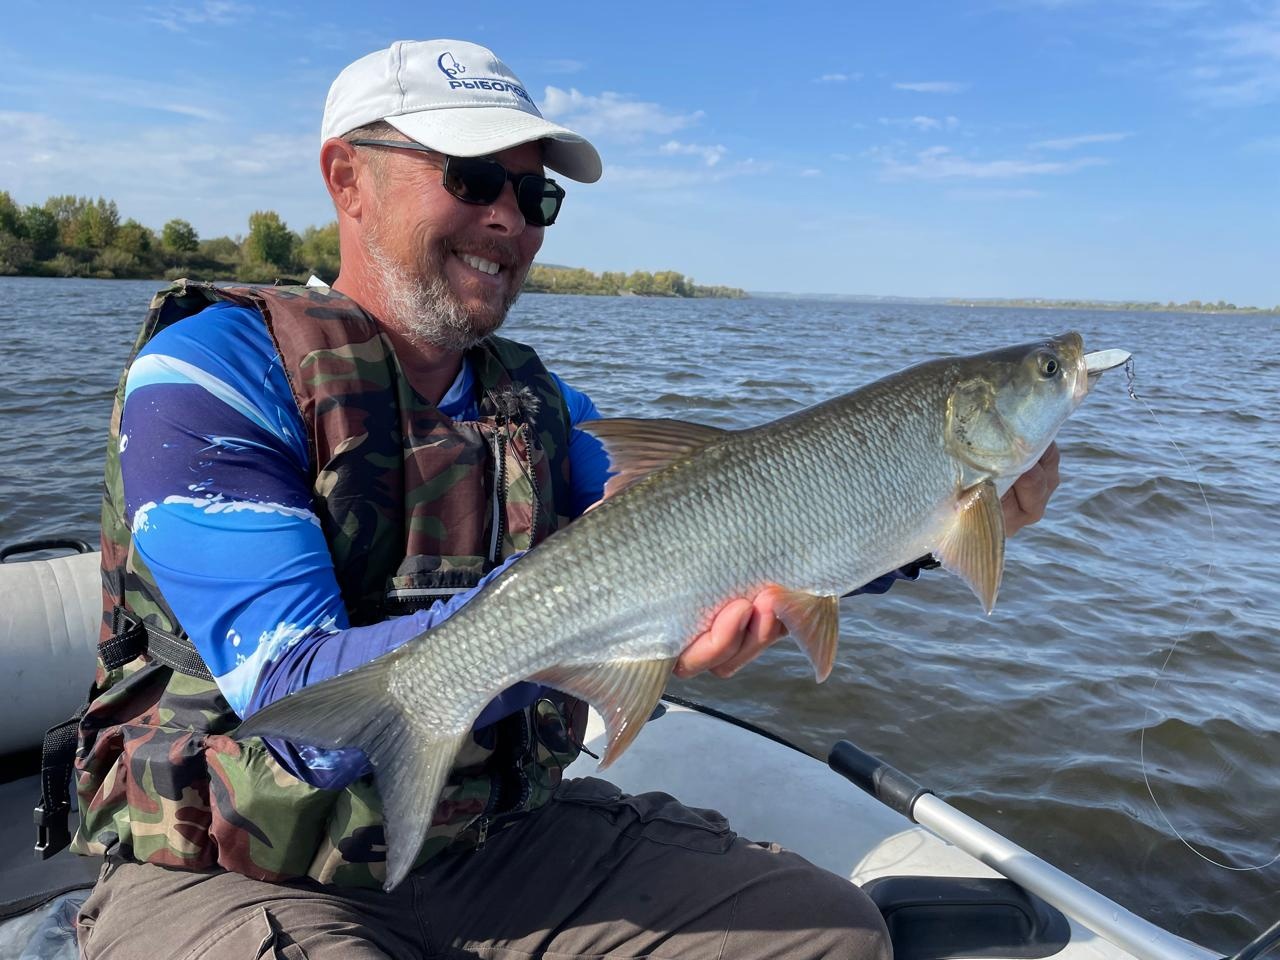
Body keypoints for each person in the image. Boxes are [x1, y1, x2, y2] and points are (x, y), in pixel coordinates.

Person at [64, 39, 1060, 959]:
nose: (507, 217)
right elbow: (299, 721)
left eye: (533, 195)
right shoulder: (207, 375)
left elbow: (753, 522)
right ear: (344, 178)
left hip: (496, 845)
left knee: (831, 938)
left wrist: (942, 522)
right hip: (226, 872)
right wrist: (572, 625)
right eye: (470, 177)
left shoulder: (537, 407)